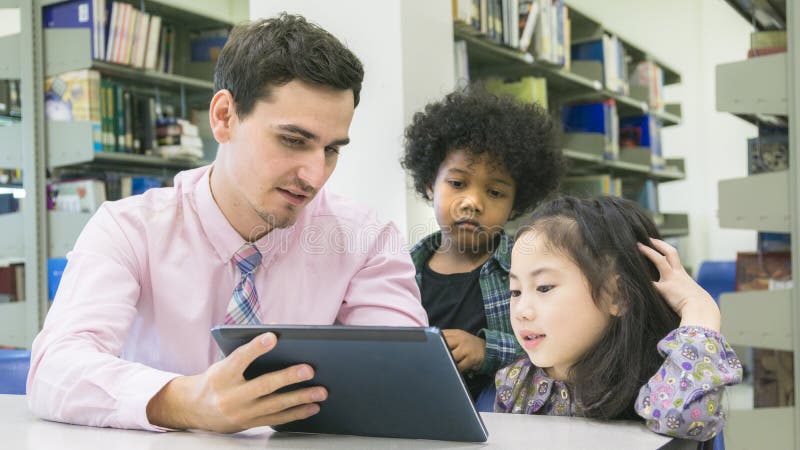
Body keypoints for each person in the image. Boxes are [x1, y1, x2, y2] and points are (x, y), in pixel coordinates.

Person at [27, 14, 428, 433]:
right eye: (293, 140)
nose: (314, 175)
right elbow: (55, 368)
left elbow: (408, 383)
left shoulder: (366, 240)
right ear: (223, 117)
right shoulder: (128, 229)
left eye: (330, 150)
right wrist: (183, 401)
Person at [497, 195, 742, 441]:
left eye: (544, 287)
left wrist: (699, 309)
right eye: (515, 291)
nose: (521, 311)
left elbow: (679, 417)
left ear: (618, 296)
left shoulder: (660, 380)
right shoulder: (515, 383)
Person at [401, 88, 565, 399]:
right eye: (458, 183)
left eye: (495, 192)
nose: (472, 202)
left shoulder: (530, 265)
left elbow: (560, 345)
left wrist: (485, 350)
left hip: (505, 414)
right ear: (429, 185)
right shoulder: (402, 270)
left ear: (516, 205)